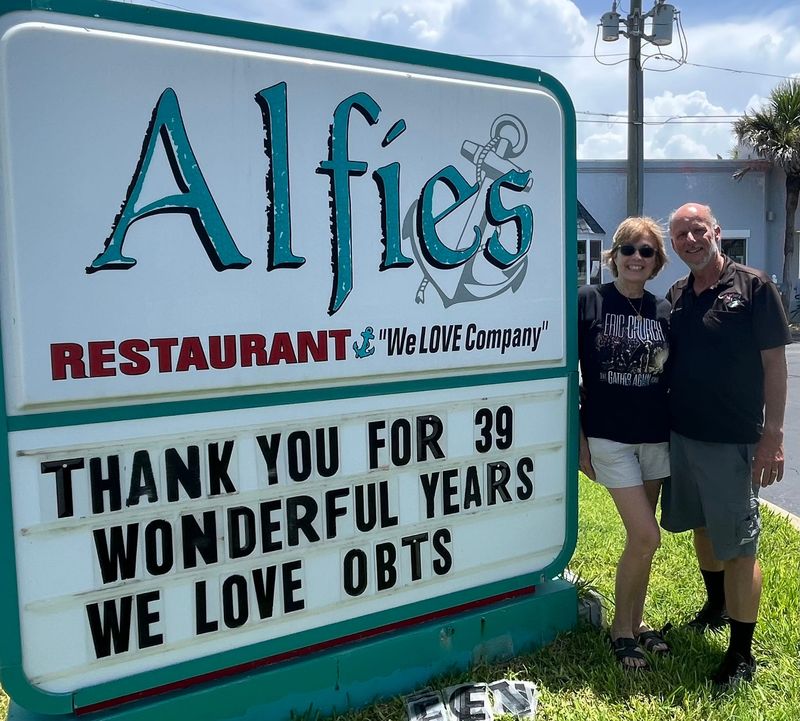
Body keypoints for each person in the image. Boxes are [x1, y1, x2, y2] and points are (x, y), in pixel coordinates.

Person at [662, 202, 790, 687]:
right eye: (680, 236)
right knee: (702, 528)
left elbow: (775, 365)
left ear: (716, 232)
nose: (690, 240)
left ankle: (742, 654)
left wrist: (772, 437)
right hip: (682, 437)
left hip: (734, 440)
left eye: (697, 231)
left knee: (738, 546)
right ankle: (715, 607)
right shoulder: (677, 293)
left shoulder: (754, 287)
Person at [578, 216, 671, 671]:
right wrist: (579, 442)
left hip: (656, 437)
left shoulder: (663, 311)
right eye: (628, 248)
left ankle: (637, 622)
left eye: (646, 251)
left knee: (644, 542)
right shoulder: (589, 301)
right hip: (609, 436)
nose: (637, 257)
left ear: (656, 262)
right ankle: (619, 630)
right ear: (613, 255)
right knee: (644, 534)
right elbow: (567, 378)